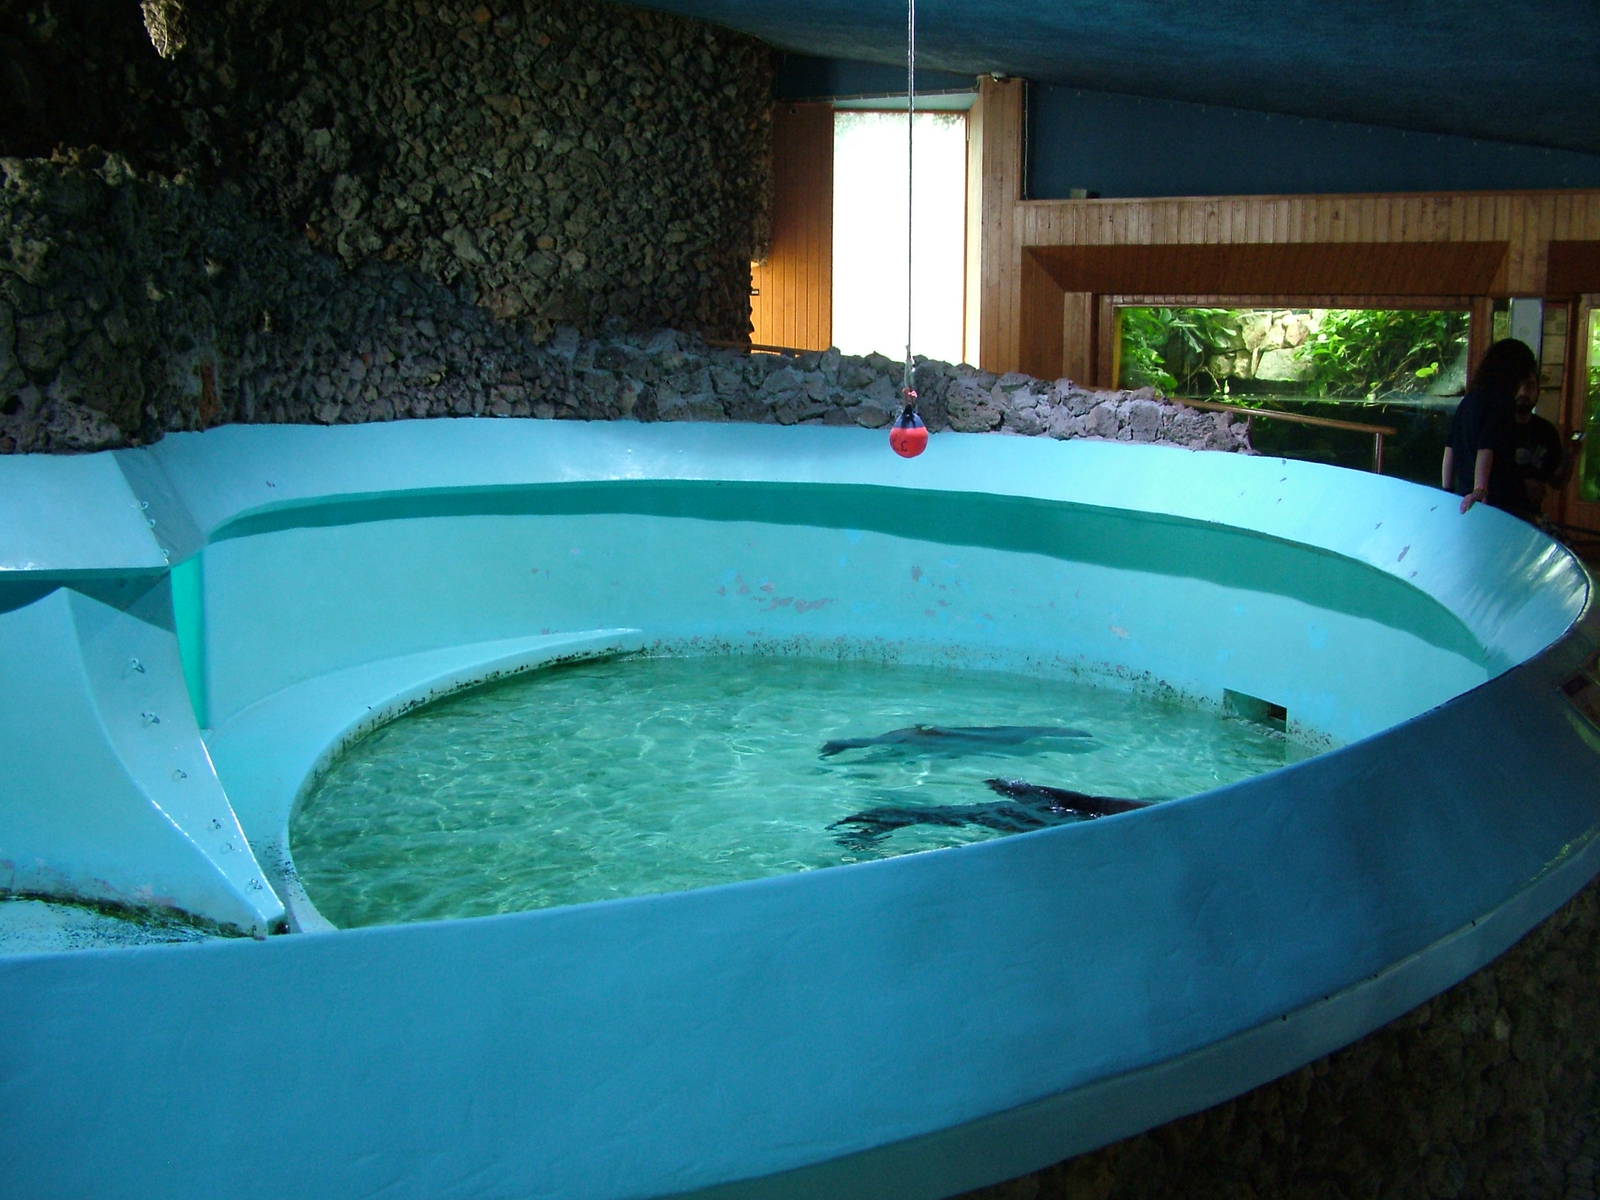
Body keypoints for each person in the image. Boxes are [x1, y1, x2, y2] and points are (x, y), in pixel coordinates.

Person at [1441, 338, 1539, 514]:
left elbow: (1450, 447)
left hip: (1463, 496)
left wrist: (1446, 490)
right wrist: (1480, 490)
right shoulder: (1501, 402)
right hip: (1496, 499)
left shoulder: (1469, 400)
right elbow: (1486, 447)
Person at [1503, 376, 1567, 524]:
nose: (1523, 392)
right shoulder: (1498, 428)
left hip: (1531, 516)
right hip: (1499, 512)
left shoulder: (1546, 431)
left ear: (1538, 391)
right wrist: (1521, 484)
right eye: (1518, 386)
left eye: (1530, 386)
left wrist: (1572, 454)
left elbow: (1557, 481)